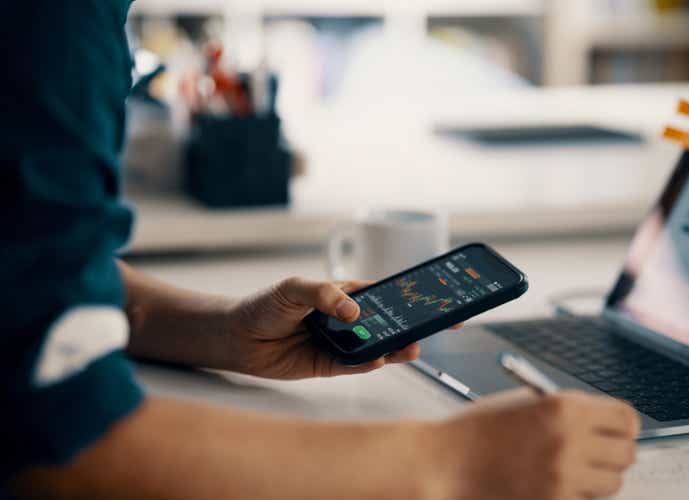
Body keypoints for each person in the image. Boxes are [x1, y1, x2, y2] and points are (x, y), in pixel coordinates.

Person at [1, 2, 640, 499]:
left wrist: (216, 331)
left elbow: (23, 265)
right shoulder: (53, 24)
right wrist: (456, 465)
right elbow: (53, 441)